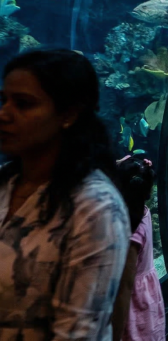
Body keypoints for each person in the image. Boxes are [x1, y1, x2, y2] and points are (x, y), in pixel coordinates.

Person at [0, 49, 129, 341]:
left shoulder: (95, 209)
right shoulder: (5, 183)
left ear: (68, 114)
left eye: (23, 104)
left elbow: (78, 332)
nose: (5, 114)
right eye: (3, 100)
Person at [112, 155, 165, 341]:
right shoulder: (143, 213)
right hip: (148, 298)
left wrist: (115, 335)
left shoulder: (130, 231)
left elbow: (125, 287)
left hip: (133, 304)